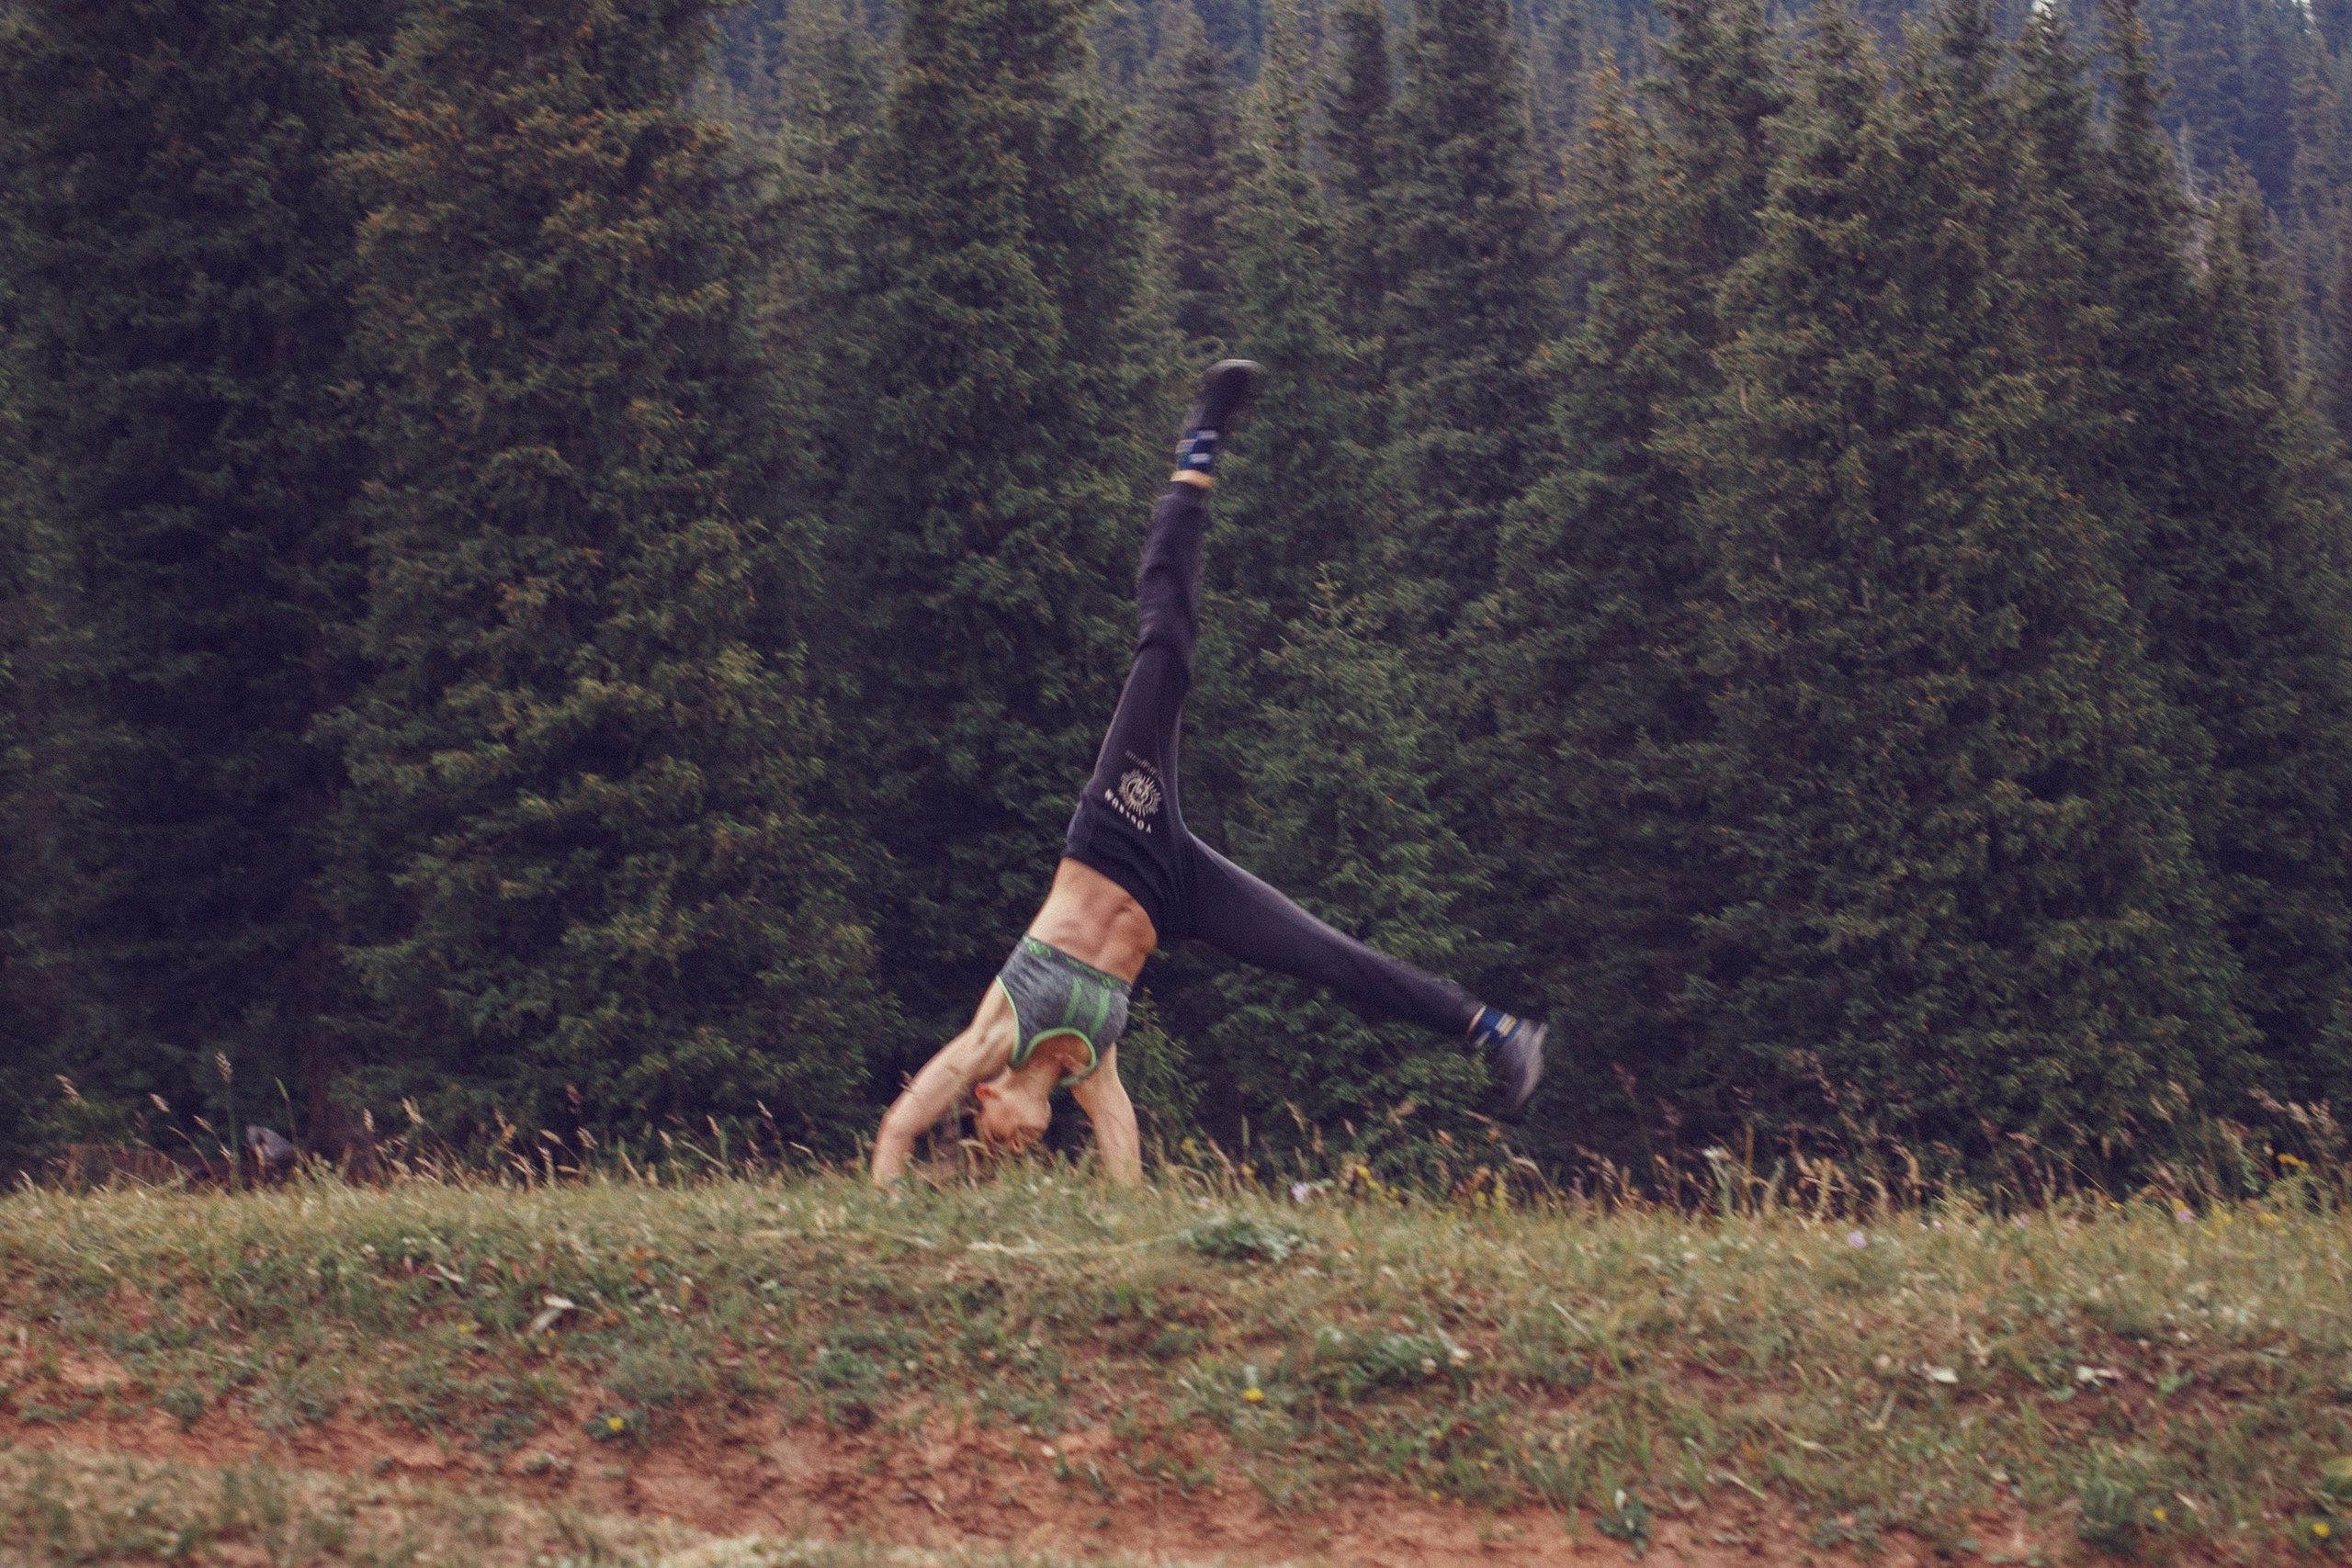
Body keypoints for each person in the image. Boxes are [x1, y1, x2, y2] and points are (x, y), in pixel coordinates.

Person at [870, 362, 1547, 1186]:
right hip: (1173, 889)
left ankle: (1194, 462)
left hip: (1116, 833)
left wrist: (887, 1196)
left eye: (994, 1135)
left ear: (985, 1095)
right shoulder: (1087, 1066)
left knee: (1166, 653)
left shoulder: (996, 1037)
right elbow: (1119, 1136)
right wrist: (1130, 1229)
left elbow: (899, 1126)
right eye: (1009, 1154)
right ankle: (1497, 1030)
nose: (1012, 1146)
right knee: (1326, 955)